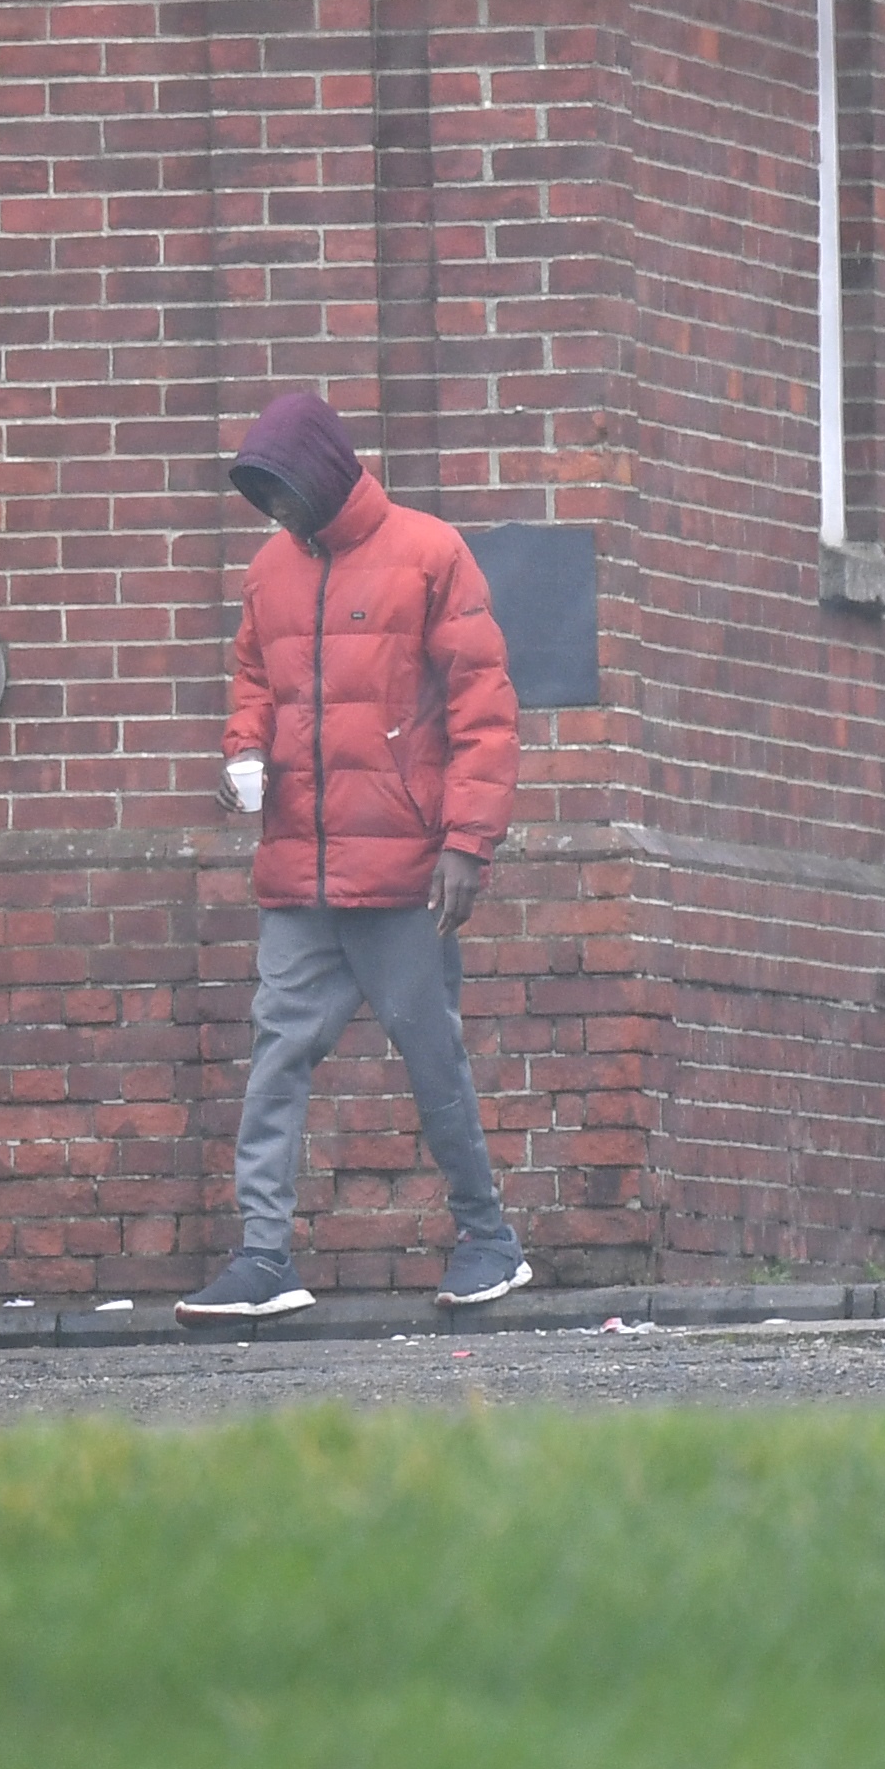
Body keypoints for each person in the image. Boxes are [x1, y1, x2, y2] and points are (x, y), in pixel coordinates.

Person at [178, 388, 529, 1323]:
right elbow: (256, 680)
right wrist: (241, 753)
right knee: (276, 1057)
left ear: (324, 475)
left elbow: (483, 707)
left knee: (431, 1056)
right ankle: (262, 1257)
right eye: (266, 500)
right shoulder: (269, 571)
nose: (277, 513)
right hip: (299, 871)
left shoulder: (429, 552)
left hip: (406, 873)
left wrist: (467, 842)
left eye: (285, 493)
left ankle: (488, 1238)